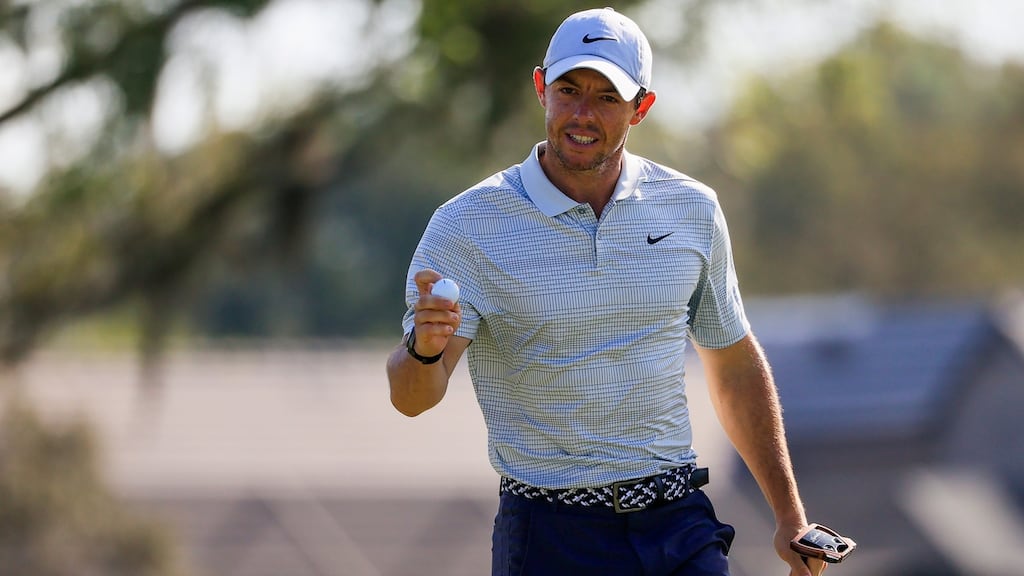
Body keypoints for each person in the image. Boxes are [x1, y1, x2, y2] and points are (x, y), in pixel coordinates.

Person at [387, 7, 814, 576]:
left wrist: (790, 517)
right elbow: (413, 397)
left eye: (607, 97)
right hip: (549, 534)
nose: (582, 114)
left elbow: (733, 364)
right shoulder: (467, 226)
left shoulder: (692, 209)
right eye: (569, 90)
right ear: (541, 87)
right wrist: (424, 348)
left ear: (642, 107)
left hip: (679, 523)